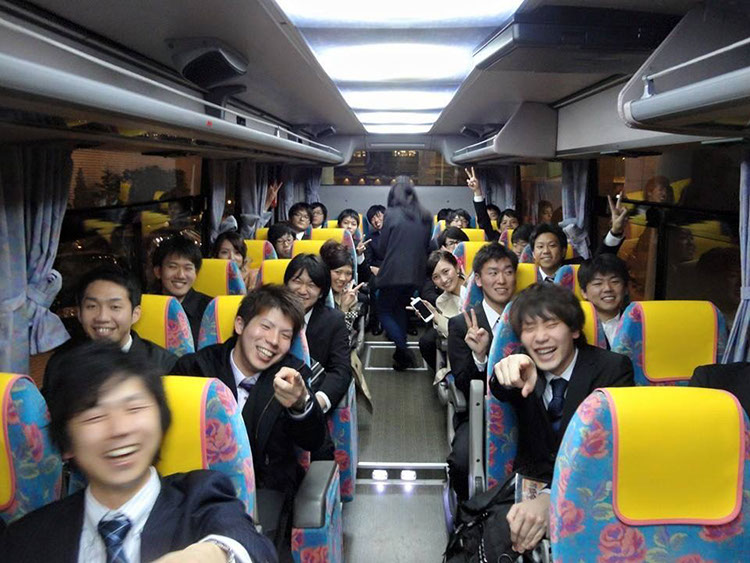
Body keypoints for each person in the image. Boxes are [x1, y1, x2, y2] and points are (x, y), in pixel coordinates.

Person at [6, 341, 277, 563]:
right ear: (66, 442)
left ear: (160, 422)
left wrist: (213, 554)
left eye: (134, 408)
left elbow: (250, 544)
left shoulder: (202, 496)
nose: (119, 429)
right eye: (94, 416)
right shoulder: (25, 539)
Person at [489, 283, 633, 555]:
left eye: (551, 324)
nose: (540, 338)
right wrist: (503, 370)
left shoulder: (612, 369)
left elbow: (611, 453)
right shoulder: (522, 366)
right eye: (529, 328)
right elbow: (501, 385)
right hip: (527, 487)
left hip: (592, 492)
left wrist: (551, 497)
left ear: (575, 330)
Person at [173, 286, 326, 500]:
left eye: (285, 335)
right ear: (240, 324)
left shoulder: (290, 378)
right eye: (266, 326)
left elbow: (314, 441)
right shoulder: (194, 370)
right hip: (200, 492)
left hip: (268, 495)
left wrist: (301, 405)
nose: (273, 340)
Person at [447, 243, 518, 500]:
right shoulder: (461, 324)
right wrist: (480, 357)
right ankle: (468, 515)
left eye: (508, 272)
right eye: (493, 273)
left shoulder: (529, 320)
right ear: (478, 279)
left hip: (525, 411)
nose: (501, 280)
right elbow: (463, 383)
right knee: (461, 463)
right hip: (480, 414)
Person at [43, 265, 177, 394]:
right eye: (92, 306)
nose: (102, 317)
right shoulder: (62, 363)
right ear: (79, 313)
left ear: (135, 314)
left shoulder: (164, 366)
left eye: (115, 307)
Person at [375, 176, 433, 370]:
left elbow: (382, 249)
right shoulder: (425, 215)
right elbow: (426, 245)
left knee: (383, 310)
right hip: (416, 274)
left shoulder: (391, 214)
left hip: (393, 273)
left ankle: (403, 348)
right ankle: (401, 357)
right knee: (399, 308)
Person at [284, 253, 352, 413]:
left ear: (321, 292)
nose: (302, 291)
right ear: (286, 284)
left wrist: (315, 405)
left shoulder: (334, 321)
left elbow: (341, 370)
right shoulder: (271, 315)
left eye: (312, 285)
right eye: (297, 281)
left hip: (312, 396)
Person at [152, 235, 212, 345]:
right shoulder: (147, 308)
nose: (180, 275)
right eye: (172, 267)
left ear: (196, 273)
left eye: (188, 268)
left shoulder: (210, 310)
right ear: (158, 272)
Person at [418, 250, 466, 374]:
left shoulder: (476, 288)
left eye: (446, 271)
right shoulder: (442, 301)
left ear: (457, 267)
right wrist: (435, 315)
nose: (443, 280)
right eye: (436, 277)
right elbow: (452, 333)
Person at [577, 254, 629, 346]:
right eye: (598, 283)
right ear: (584, 292)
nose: (607, 288)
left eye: (615, 282)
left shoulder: (638, 325)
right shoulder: (576, 328)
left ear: (625, 289)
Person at [319, 240, 365, 334]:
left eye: (348, 273)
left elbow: (344, 335)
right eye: (338, 272)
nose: (343, 278)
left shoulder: (350, 297)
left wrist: (345, 308)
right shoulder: (316, 295)